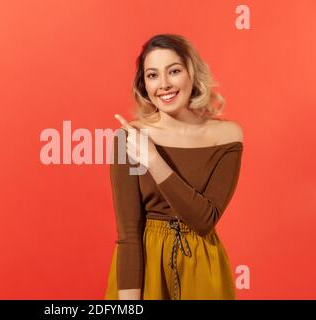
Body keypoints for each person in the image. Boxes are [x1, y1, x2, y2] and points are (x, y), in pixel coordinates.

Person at [104, 34, 244, 300]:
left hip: (203, 268)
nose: (164, 85)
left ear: (191, 73)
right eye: (153, 75)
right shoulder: (130, 138)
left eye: (174, 71)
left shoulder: (228, 136)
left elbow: (204, 220)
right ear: (144, 85)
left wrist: (154, 161)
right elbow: (128, 234)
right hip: (146, 268)